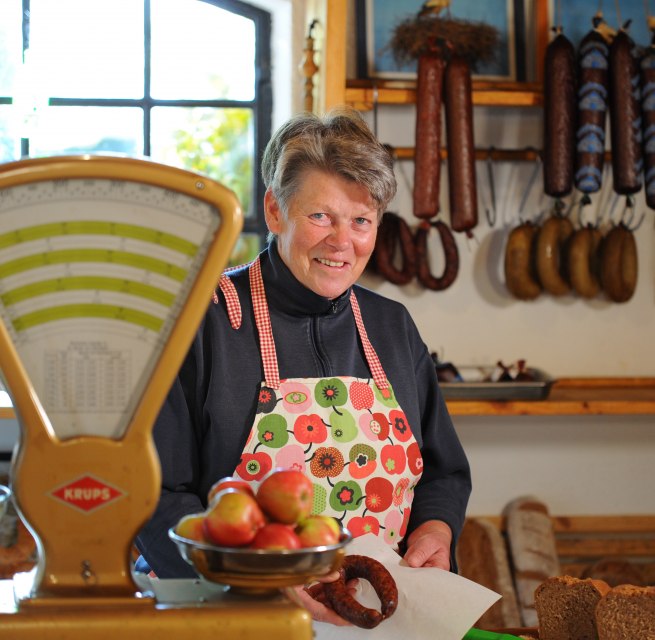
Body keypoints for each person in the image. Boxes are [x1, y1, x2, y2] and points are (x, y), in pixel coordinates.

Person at [136, 107, 471, 625]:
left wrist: (437, 527)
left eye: (361, 221)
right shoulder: (200, 321)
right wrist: (247, 584)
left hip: (373, 619)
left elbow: (444, 470)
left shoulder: (392, 326)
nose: (343, 242)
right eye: (321, 216)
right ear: (275, 210)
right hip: (228, 619)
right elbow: (153, 495)